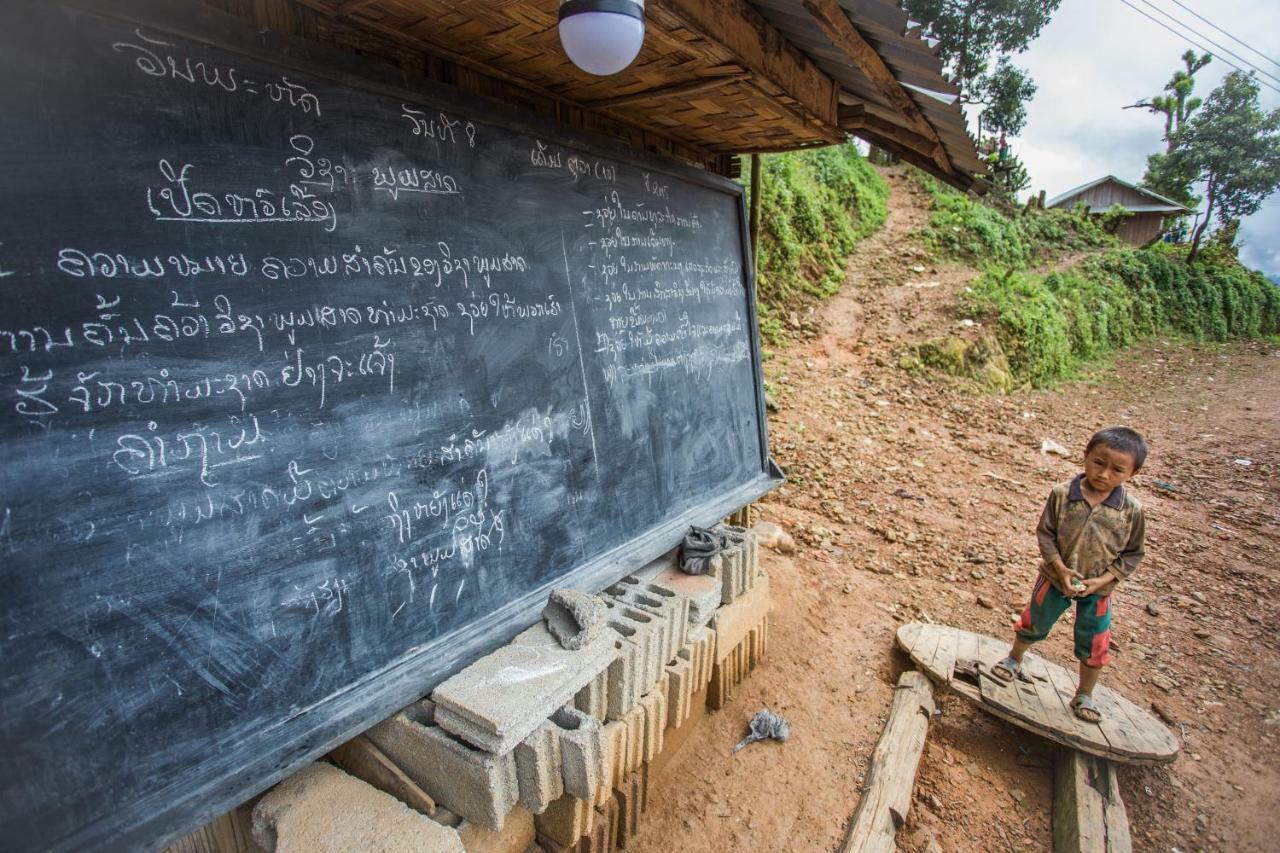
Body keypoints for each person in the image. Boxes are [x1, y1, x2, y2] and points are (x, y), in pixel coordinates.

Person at [991, 427, 1148, 723]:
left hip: (1098, 589)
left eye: (1117, 470)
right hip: (1054, 577)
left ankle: (1084, 694)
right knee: (1034, 620)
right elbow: (1045, 533)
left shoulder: (1131, 511)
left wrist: (1104, 580)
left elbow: (1133, 553)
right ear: (1085, 456)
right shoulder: (1062, 495)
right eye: (1098, 463)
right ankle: (1014, 658)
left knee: (1095, 641)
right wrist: (1058, 566)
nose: (1104, 474)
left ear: (1133, 473)